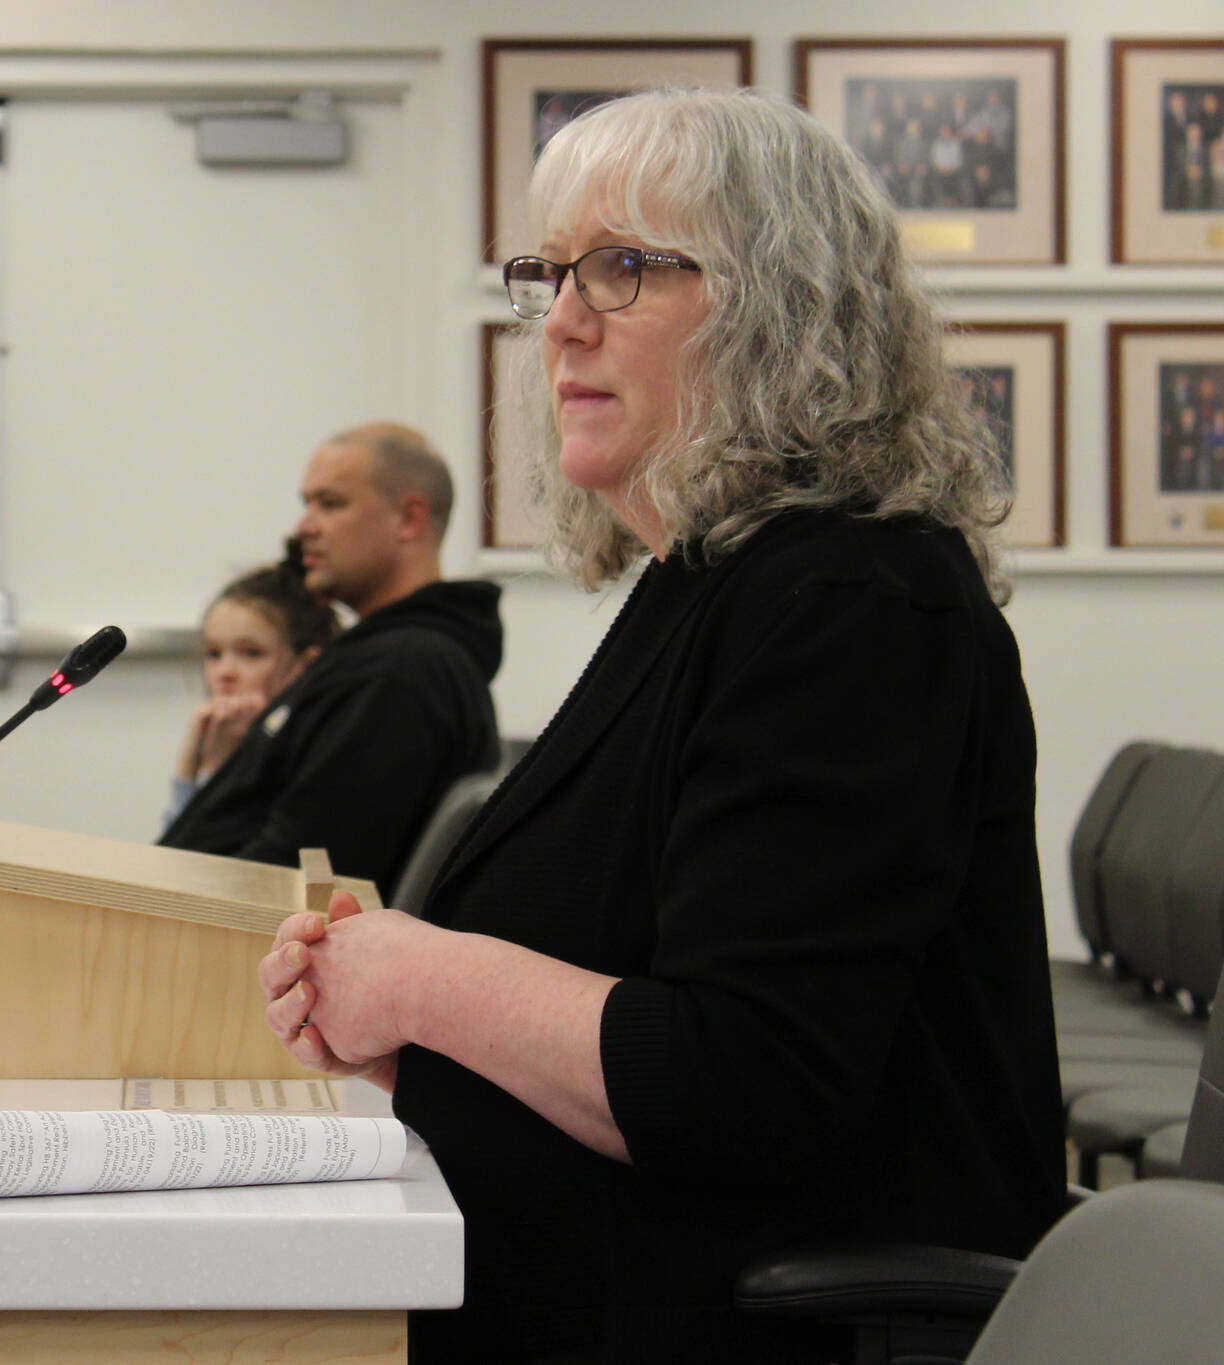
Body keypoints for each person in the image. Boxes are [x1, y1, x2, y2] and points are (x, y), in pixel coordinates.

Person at [260, 89, 1066, 1362]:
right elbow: (622, 975)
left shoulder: (852, 602)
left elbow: (732, 1085)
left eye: (624, 267)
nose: (563, 322)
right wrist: (402, 1039)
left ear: (779, 311)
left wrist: (420, 977)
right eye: (552, 273)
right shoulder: (710, 582)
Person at [158, 423, 503, 900]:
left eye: (330, 503)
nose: (304, 528)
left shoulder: (398, 672)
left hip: (232, 956)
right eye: (306, 504)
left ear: (409, 518)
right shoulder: (379, 656)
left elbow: (302, 883)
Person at [163, 546, 339, 829]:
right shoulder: (215, 735)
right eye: (214, 654)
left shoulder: (308, 756)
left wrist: (216, 769)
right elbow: (169, 850)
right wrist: (189, 762)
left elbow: (209, 857)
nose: (225, 672)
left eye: (251, 653)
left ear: (304, 667)